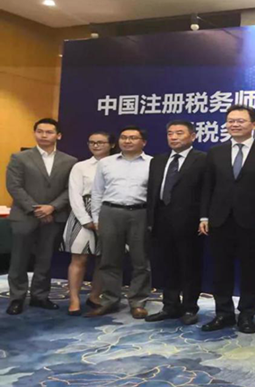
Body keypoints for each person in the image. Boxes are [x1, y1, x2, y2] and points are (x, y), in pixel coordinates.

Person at [199, 105, 255, 333]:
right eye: (230, 121)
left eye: (240, 121)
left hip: (253, 221)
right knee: (220, 270)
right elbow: (208, 186)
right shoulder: (215, 152)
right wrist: (204, 215)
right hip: (220, 220)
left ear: (254, 125)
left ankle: (247, 315)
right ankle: (223, 314)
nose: (234, 125)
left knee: (251, 270)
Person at [5, 118, 77, 315]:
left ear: (58, 136)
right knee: (19, 259)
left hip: (54, 216)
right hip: (24, 216)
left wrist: (52, 207)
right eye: (40, 131)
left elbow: (70, 189)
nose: (44, 135)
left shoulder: (70, 161)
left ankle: (40, 296)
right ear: (35, 133)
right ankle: (17, 298)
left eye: (49, 132)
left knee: (45, 259)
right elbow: (14, 186)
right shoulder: (20, 158)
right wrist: (35, 209)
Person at [85, 126, 153, 319]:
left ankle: (138, 302)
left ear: (143, 142)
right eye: (124, 137)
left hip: (140, 213)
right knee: (109, 260)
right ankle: (110, 300)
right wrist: (96, 218)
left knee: (140, 261)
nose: (127, 141)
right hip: (110, 212)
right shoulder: (106, 163)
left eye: (133, 138)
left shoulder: (153, 163)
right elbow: (97, 192)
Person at [145, 120, 206, 326]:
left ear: (193, 136)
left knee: (189, 266)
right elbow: (152, 192)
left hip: (190, 222)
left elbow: (207, 191)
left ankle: (189, 307)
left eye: (179, 133)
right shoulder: (158, 160)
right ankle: (170, 306)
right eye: (170, 133)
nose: (173, 137)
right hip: (161, 220)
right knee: (166, 265)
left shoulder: (203, 159)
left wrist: (204, 218)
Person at [62, 131, 115, 316]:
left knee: (104, 259)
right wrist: (86, 220)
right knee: (79, 259)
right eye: (92, 142)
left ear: (111, 145)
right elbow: (74, 195)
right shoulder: (80, 166)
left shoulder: (117, 165)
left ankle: (95, 296)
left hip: (109, 213)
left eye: (100, 142)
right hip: (82, 213)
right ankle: (74, 299)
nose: (96, 146)